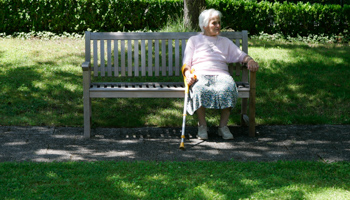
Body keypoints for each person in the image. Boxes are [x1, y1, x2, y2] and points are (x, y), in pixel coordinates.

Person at [182, 8, 259, 140]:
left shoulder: (225, 42)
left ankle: (223, 126)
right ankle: (202, 126)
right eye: (214, 23)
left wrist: (250, 60)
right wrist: (188, 74)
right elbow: (186, 63)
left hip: (221, 75)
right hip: (200, 74)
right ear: (204, 25)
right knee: (199, 89)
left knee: (228, 88)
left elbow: (241, 56)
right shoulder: (194, 40)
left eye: (219, 23)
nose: (218, 26)